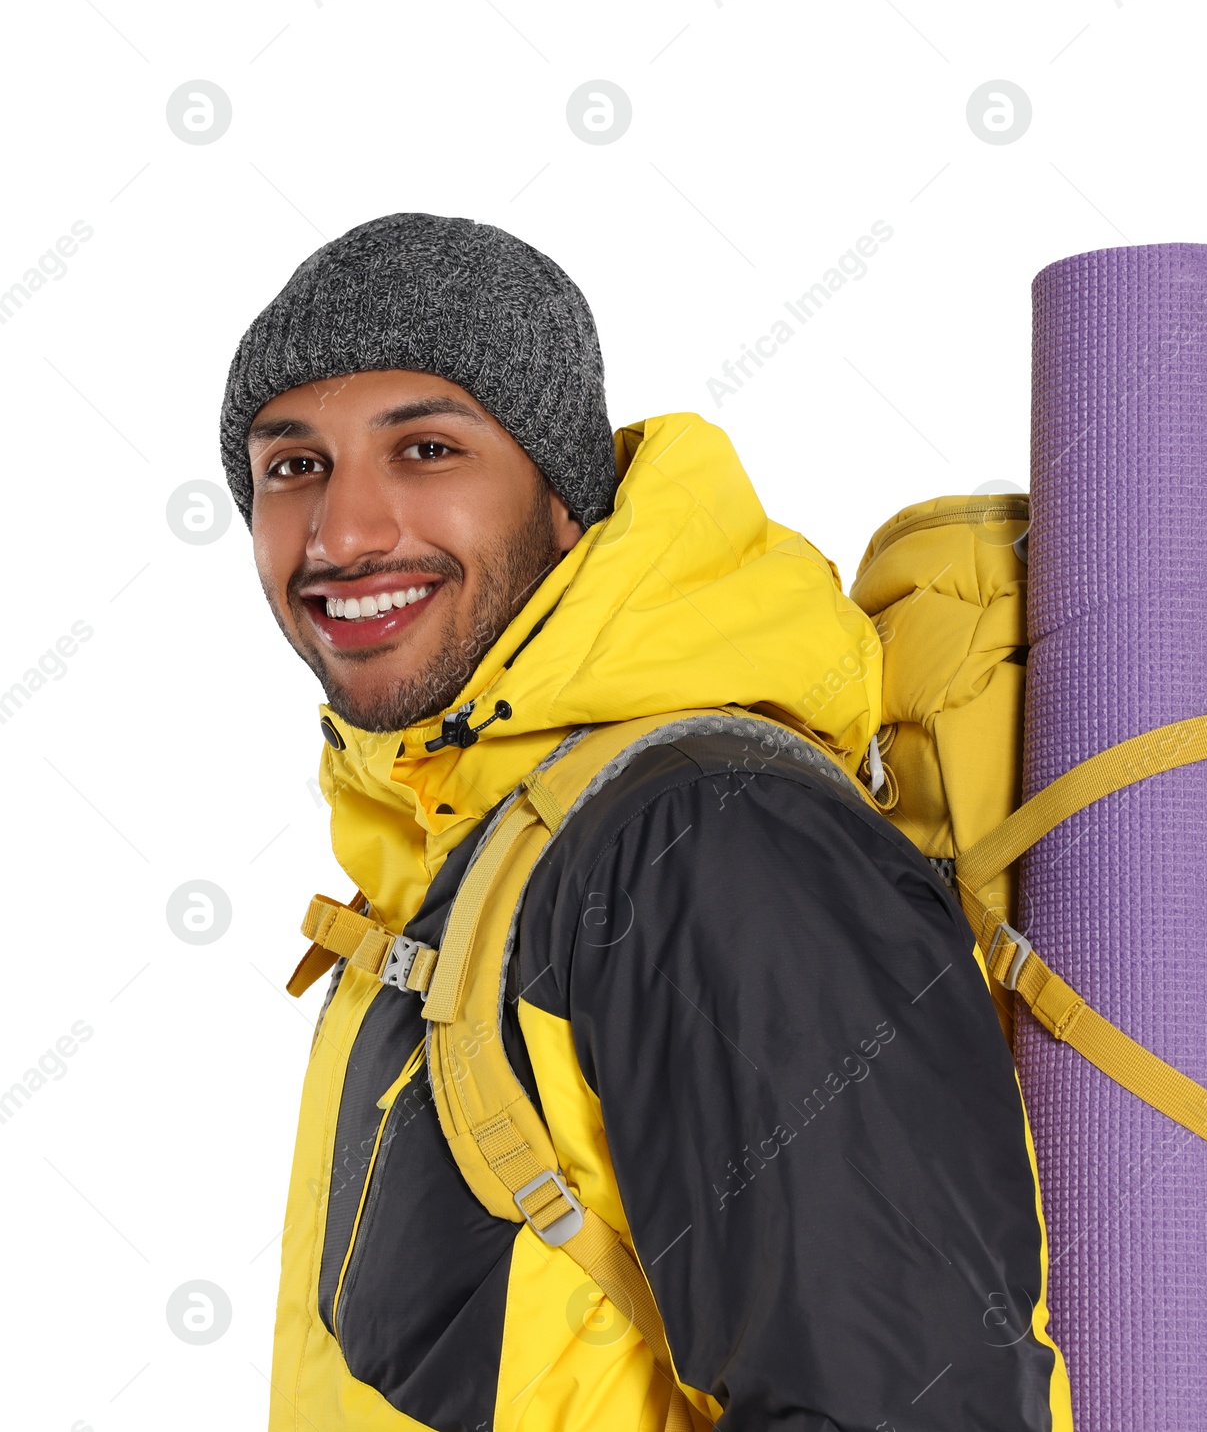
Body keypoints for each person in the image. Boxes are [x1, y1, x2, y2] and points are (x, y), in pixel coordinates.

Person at [222, 211, 1071, 1430]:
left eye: (425, 449)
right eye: (292, 466)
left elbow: (910, 1402)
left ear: (564, 498)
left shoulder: (709, 843)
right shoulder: (461, 861)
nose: (343, 533)